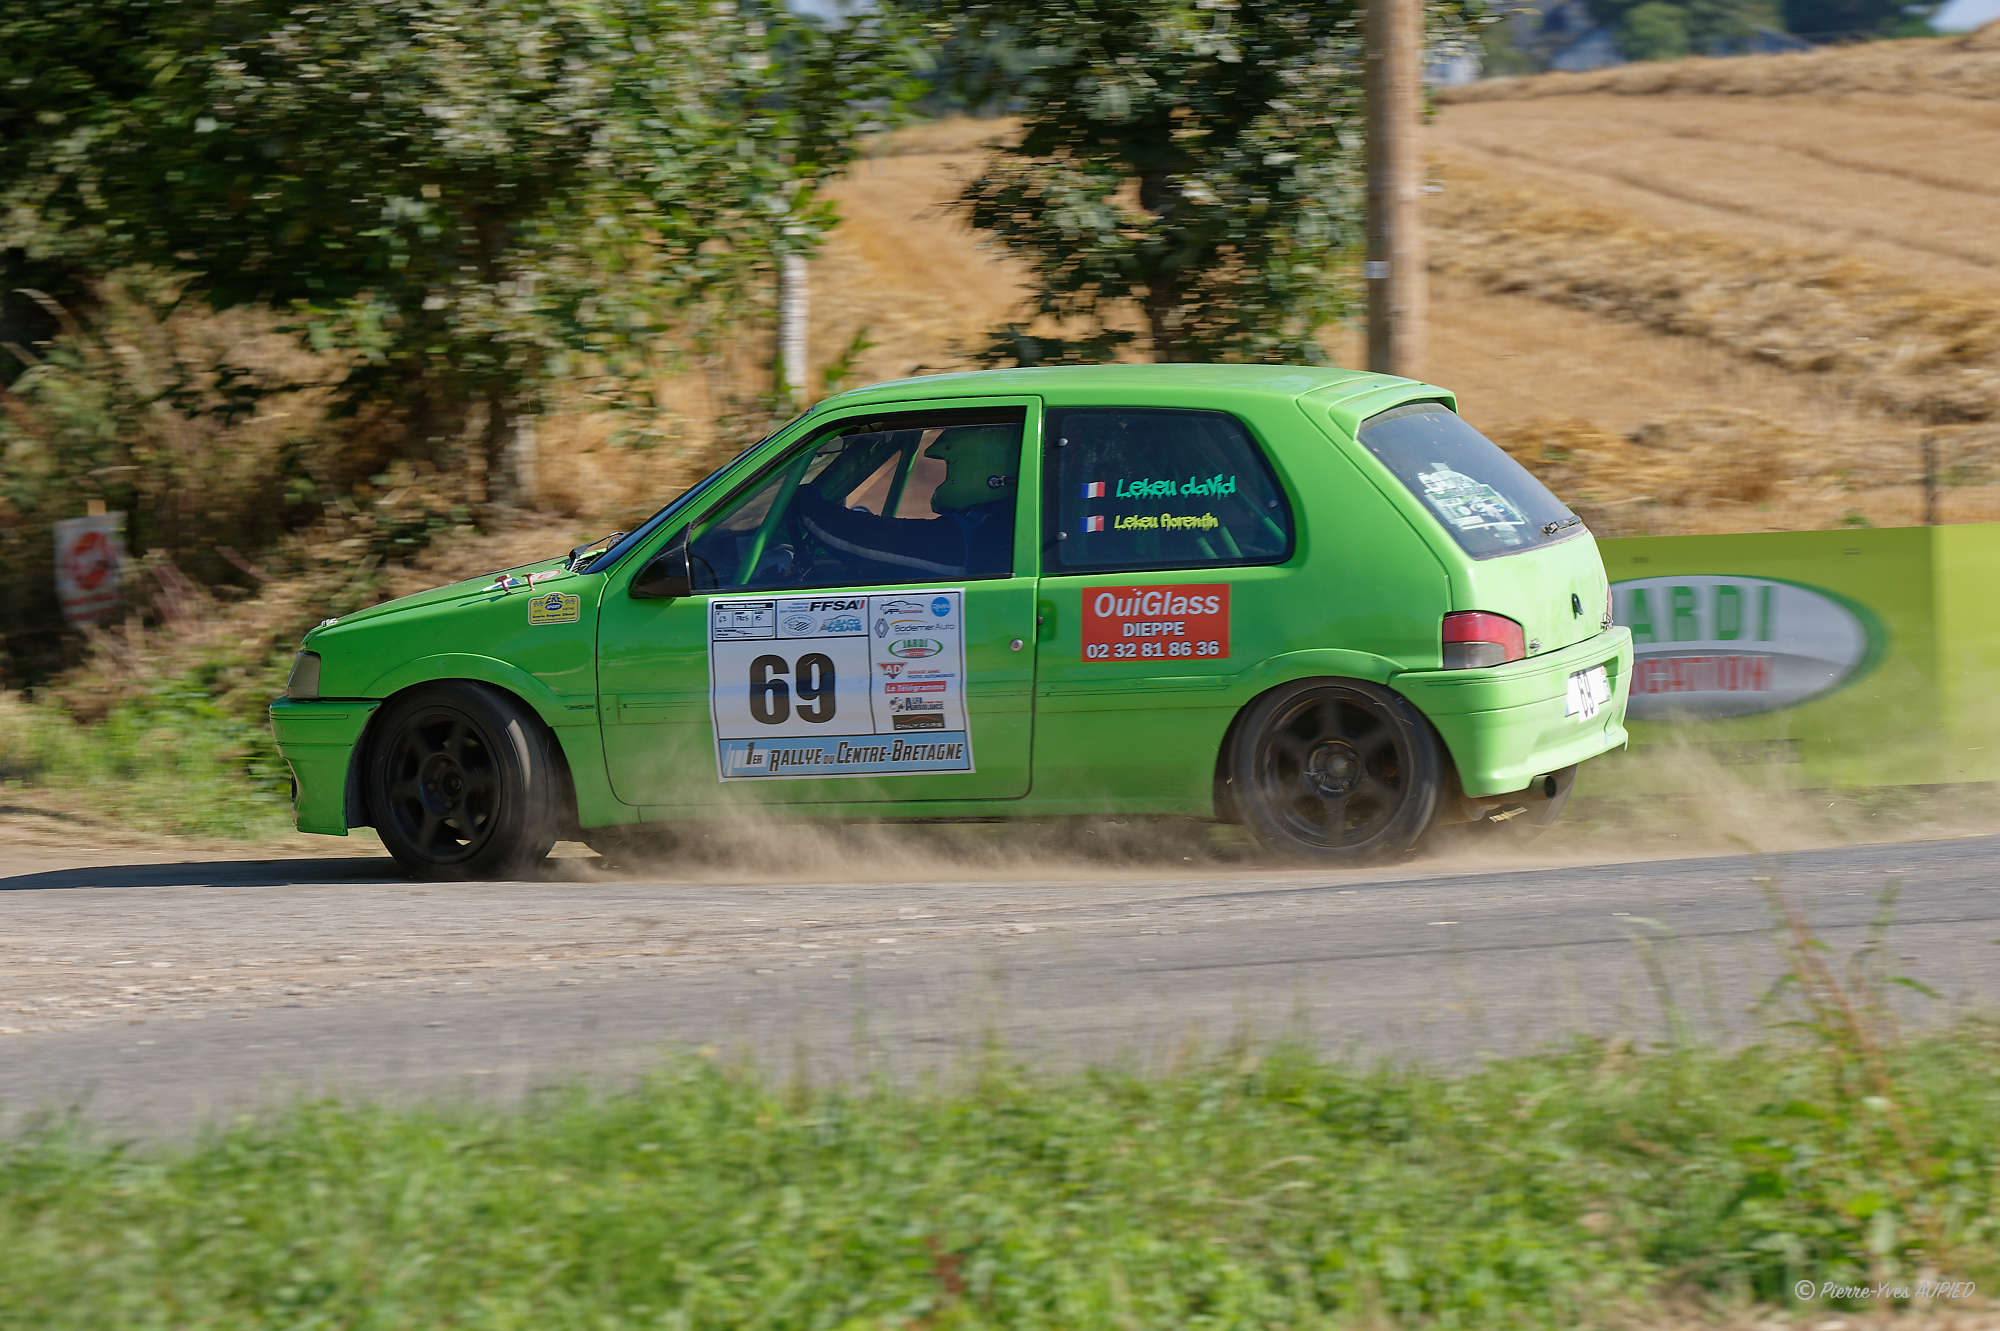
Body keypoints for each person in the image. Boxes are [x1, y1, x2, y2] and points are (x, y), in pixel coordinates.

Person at [785, 423, 1018, 581]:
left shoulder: (991, 534)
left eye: (949, 465)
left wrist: (805, 503)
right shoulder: (997, 520)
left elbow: (880, 542)